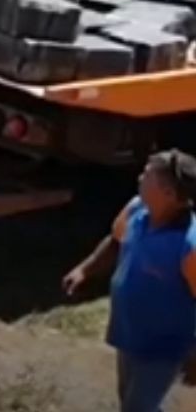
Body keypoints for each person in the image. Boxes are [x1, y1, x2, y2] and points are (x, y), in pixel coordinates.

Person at [62, 150, 196, 412]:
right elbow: (115, 242)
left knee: (137, 406)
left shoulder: (189, 245)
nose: (139, 178)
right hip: (129, 331)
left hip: (164, 346)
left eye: (148, 175)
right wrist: (85, 270)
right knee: (129, 397)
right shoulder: (136, 210)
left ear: (169, 194)